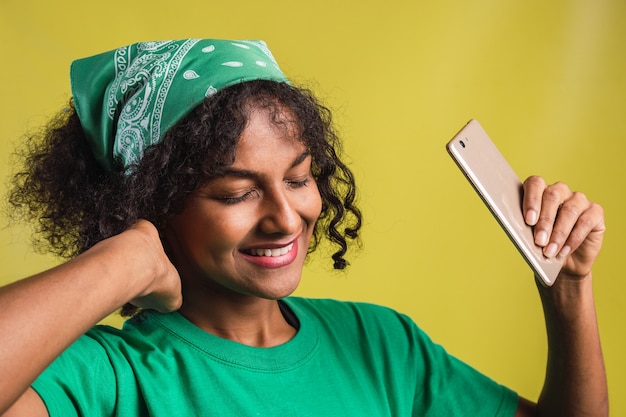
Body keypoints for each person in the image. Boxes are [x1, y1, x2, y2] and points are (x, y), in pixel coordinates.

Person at [0, 38, 607, 417]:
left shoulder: (380, 344)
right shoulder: (109, 375)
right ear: (151, 204)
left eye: (297, 178)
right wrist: (123, 259)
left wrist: (569, 292)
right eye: (237, 192)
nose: (286, 218)